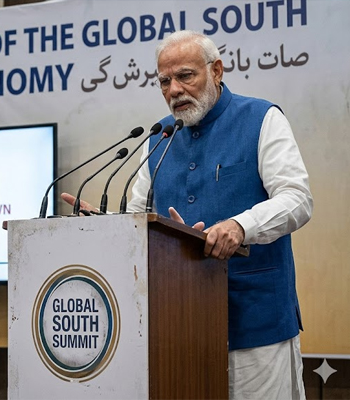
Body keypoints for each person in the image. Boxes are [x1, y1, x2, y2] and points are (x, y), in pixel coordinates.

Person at [63, 30, 312, 399]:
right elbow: (137, 220)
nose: (174, 90)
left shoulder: (261, 118)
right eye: (164, 81)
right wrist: (105, 227)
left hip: (256, 324)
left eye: (185, 76)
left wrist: (240, 226)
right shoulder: (159, 138)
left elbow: (297, 199)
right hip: (179, 327)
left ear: (216, 71)